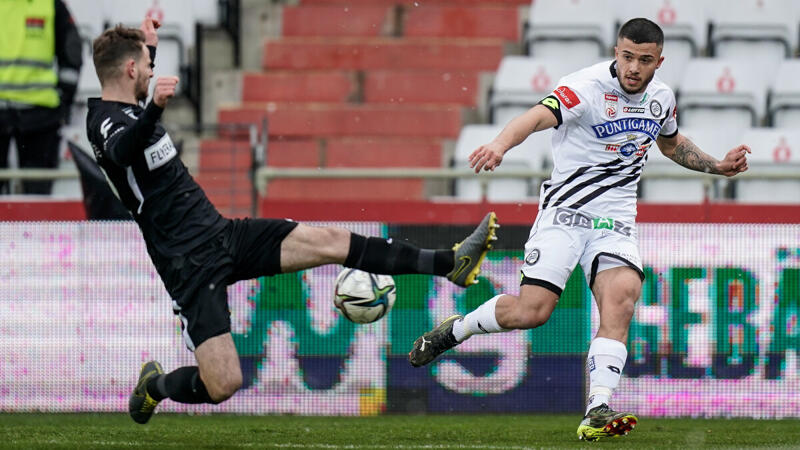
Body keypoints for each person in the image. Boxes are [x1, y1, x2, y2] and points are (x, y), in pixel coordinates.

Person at [85, 20, 499, 425]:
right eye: (147, 64)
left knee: (330, 240)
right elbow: (122, 150)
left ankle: (451, 262)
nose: (153, 69)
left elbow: (135, 106)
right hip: (187, 265)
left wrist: (148, 48)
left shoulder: (129, 106)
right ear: (130, 70)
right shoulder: (103, 122)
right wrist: (155, 106)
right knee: (223, 383)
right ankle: (154, 387)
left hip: (223, 234)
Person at [407, 18, 750, 441]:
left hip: (616, 221)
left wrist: (715, 165)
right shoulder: (584, 88)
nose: (633, 68)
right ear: (616, 51)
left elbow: (669, 143)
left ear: (660, 61)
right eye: (627, 57)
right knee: (532, 311)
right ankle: (457, 329)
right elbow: (535, 117)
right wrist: (499, 144)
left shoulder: (661, 98)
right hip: (565, 214)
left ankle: (596, 409)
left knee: (621, 300)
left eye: (644, 60)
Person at [0, 0, 82, 194]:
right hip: (27, 114)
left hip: (41, 116)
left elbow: (71, 50)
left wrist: (64, 98)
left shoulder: (51, 5)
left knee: (37, 198)